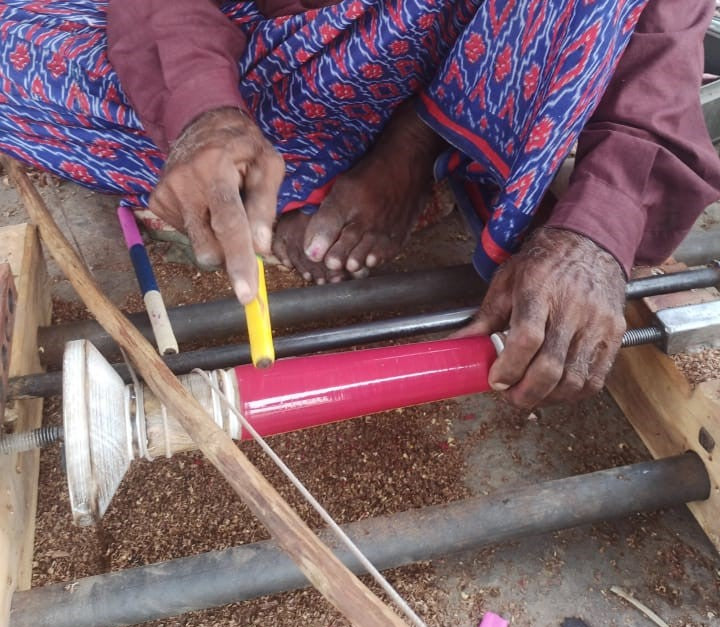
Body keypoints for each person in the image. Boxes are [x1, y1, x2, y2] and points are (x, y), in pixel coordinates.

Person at [1, 0, 719, 410]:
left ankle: (414, 152)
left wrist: (595, 235)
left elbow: (661, 38)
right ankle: (293, 157)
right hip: (295, 42)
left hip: (471, 59)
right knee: (19, 58)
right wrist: (204, 114)